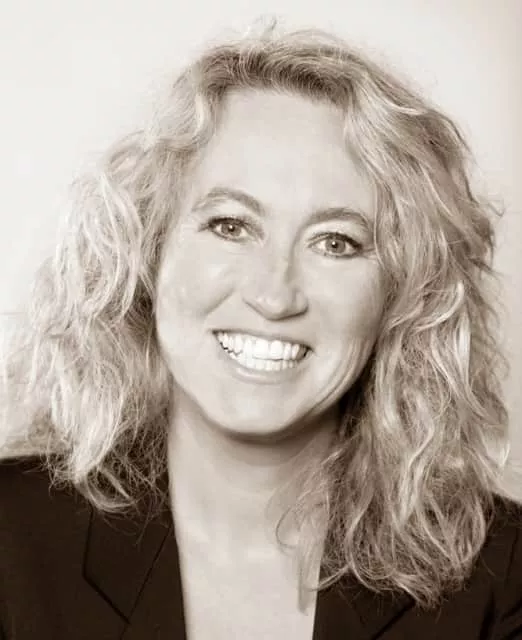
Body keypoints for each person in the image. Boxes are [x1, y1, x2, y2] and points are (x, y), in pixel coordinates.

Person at [0, 23, 521, 640]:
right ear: (147, 252)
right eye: (231, 226)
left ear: (404, 296)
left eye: (336, 242)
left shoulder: (504, 577)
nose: (275, 296)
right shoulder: (9, 539)